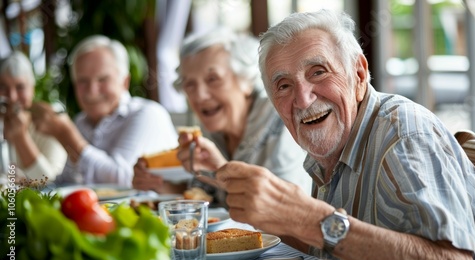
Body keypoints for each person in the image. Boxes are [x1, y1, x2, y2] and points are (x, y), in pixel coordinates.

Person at [212, 9, 475, 260]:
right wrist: (276, 215)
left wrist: (310, 218)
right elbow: (338, 251)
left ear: (359, 75)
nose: (302, 99)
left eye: (318, 72)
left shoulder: (403, 135)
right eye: (284, 85)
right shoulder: (329, 144)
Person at [132, 28, 311, 206]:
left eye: (213, 79)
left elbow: (285, 209)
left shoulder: (283, 122)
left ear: (246, 81)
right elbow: (208, 196)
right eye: (190, 84)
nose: (199, 96)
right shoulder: (213, 129)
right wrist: (161, 185)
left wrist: (222, 170)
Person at [35, 35, 178, 187]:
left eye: (102, 79)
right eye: (83, 81)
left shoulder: (148, 114)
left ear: (125, 82)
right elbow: (68, 182)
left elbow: (124, 180)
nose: (92, 91)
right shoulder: (82, 121)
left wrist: (66, 134)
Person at [0, 51, 67, 182]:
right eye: (3, 87)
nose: (12, 97)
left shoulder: (49, 122)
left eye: (20, 87)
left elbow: (47, 181)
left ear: (32, 90)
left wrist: (20, 137)